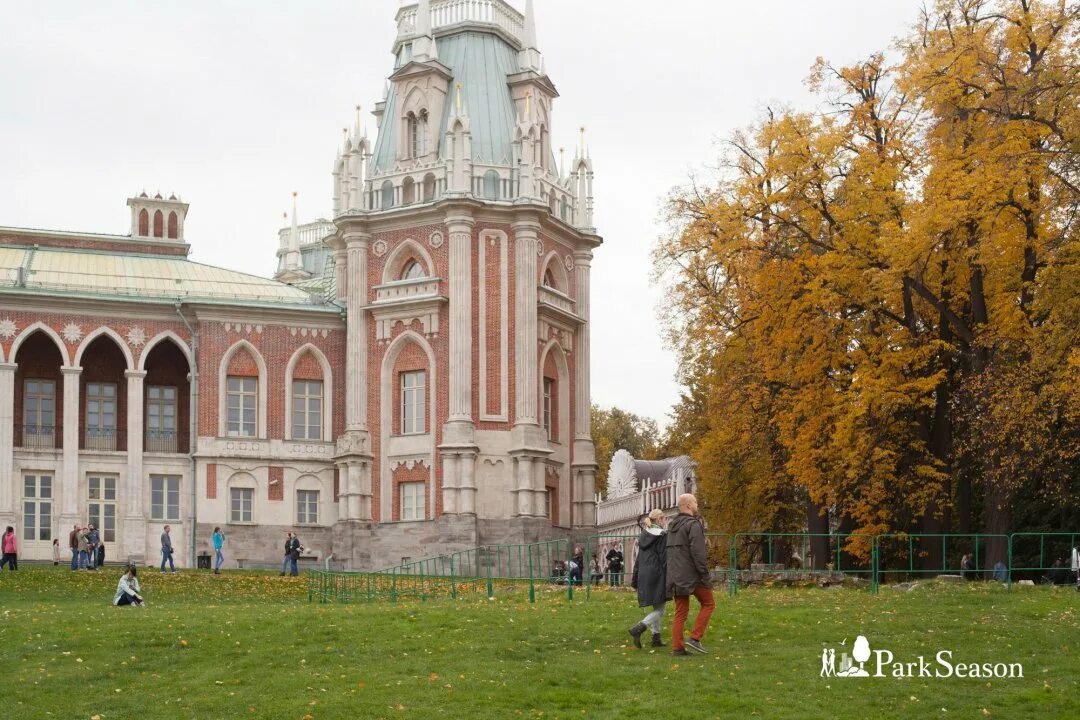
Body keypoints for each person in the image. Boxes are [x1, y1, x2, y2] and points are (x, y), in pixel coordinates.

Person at [666, 493, 715, 656]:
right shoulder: (692, 525)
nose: (697, 505)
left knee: (680, 611)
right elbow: (698, 552)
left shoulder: (672, 526)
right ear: (688, 506)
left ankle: (677, 648)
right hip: (693, 575)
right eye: (695, 502)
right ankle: (695, 638)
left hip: (675, 575)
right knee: (709, 603)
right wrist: (704, 574)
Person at [629, 509, 670, 649]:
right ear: (659, 519)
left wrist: (635, 579)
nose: (666, 521)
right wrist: (670, 576)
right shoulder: (661, 536)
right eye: (664, 518)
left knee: (656, 605)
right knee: (660, 609)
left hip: (644, 574)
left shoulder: (644, 536)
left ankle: (656, 637)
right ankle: (639, 628)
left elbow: (638, 560)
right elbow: (664, 558)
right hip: (657, 573)